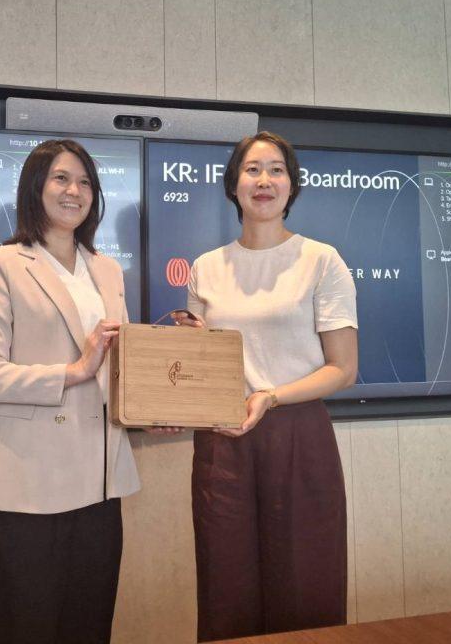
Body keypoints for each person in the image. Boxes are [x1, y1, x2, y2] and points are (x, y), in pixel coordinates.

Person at [174, 131, 359, 641]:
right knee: (225, 585)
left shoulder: (321, 260)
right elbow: (201, 364)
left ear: (291, 186)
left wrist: (271, 396)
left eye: (277, 170)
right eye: (252, 169)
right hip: (222, 439)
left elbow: (343, 369)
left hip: (299, 435)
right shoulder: (206, 268)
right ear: (233, 184)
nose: (264, 180)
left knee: (305, 582)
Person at [0, 139, 145, 644]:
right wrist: (74, 370)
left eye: (85, 182)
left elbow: (119, 365)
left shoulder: (107, 268)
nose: (74, 191)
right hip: (30, 482)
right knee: (23, 626)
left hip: (100, 482)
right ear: (35, 187)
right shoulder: (1, 263)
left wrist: (153, 404)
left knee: (89, 625)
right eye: (61, 178)